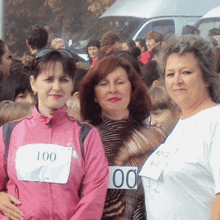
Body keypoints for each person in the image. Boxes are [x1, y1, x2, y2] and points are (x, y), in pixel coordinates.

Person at [0, 49, 109, 220]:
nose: (56, 87)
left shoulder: (87, 136)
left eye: (64, 80)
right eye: (49, 79)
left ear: (72, 84)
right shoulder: (8, 133)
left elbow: (93, 198)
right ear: (34, 83)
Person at [139, 35, 220, 220]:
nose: (177, 80)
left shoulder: (215, 122)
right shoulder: (179, 125)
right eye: (170, 74)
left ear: (207, 78)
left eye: (186, 72)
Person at [80, 55, 165, 219]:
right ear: (94, 95)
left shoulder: (156, 138)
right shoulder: (82, 138)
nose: (113, 89)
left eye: (120, 82)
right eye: (104, 84)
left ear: (132, 88)